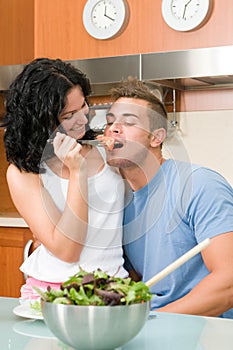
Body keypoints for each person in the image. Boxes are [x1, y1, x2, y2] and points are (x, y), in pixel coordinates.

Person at [103, 77, 233, 318]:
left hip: (209, 330)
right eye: (109, 122)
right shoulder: (118, 202)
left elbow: (228, 283)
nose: (113, 129)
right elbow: (130, 279)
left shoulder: (200, 186)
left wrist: (151, 320)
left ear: (156, 137)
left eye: (128, 122)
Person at [3, 58, 127, 301]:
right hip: (53, 292)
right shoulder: (22, 172)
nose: (83, 119)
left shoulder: (104, 147)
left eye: (83, 106)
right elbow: (67, 250)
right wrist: (77, 173)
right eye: (69, 114)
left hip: (113, 287)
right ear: (42, 121)